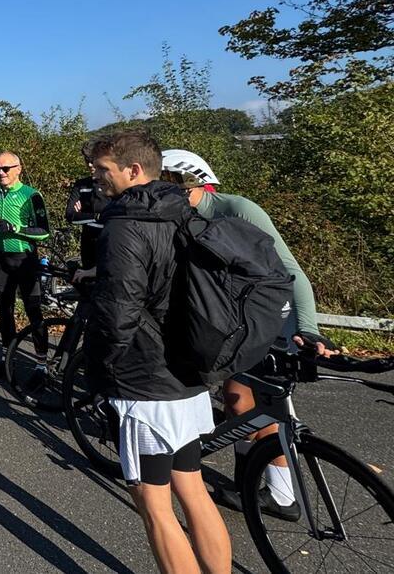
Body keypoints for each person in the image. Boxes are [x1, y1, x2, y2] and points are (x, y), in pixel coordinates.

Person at [161, 148, 334, 520]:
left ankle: (283, 494)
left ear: (193, 184)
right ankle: (250, 480)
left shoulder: (237, 209)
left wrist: (309, 327)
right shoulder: (177, 217)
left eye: (169, 185)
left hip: (270, 316)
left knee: (265, 403)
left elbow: (291, 271)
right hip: (232, 319)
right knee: (238, 401)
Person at [87, 132, 230, 574]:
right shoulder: (182, 213)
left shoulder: (125, 225)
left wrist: (102, 372)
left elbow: (118, 313)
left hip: (144, 384)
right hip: (188, 372)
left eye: (103, 170)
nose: (95, 178)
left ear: (133, 170)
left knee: (154, 504)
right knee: (192, 487)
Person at [0, 152, 51, 380]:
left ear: (18, 169)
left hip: (24, 259)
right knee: (4, 311)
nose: (1, 173)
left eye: (6, 168)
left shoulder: (32, 195)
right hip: (1, 258)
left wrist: (15, 229)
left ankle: (42, 366)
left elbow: (44, 231)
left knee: (33, 311)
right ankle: (7, 360)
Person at [65, 142, 109, 271]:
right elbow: (70, 215)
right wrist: (97, 216)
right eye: (86, 160)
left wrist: (84, 215)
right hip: (88, 243)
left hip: (109, 240)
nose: (89, 164)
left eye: (92, 160)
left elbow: (116, 213)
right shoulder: (81, 185)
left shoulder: (112, 184)